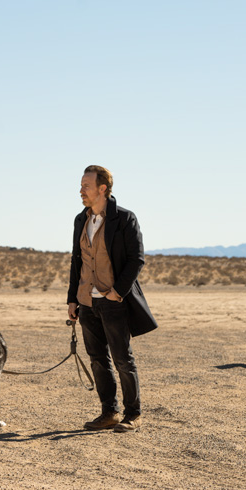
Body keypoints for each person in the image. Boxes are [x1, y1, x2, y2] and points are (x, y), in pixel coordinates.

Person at [67, 165, 158, 433]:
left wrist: (118, 291)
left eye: (86, 186)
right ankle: (110, 412)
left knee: (122, 359)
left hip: (114, 301)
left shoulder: (125, 218)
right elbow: (76, 262)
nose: (81, 191)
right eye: (81, 186)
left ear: (102, 188)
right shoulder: (80, 220)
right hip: (87, 301)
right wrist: (72, 299)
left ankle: (133, 414)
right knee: (97, 359)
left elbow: (136, 259)